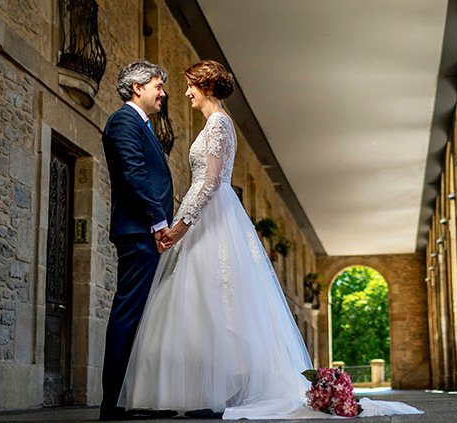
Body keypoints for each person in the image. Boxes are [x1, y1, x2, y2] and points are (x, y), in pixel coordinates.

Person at [117, 60, 422, 419]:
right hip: (209, 214)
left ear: (207, 87)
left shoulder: (218, 124)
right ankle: (200, 394)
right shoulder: (216, 123)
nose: (185, 93)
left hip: (210, 217)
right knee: (200, 302)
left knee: (212, 302)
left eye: (191, 86)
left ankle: (214, 395)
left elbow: (211, 181)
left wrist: (182, 225)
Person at [98, 60, 179, 421]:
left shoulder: (142, 124)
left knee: (148, 315)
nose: (163, 93)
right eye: (158, 86)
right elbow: (134, 174)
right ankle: (113, 404)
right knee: (130, 312)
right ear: (137, 87)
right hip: (139, 232)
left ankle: (137, 398)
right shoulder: (123, 122)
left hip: (147, 231)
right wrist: (158, 222)